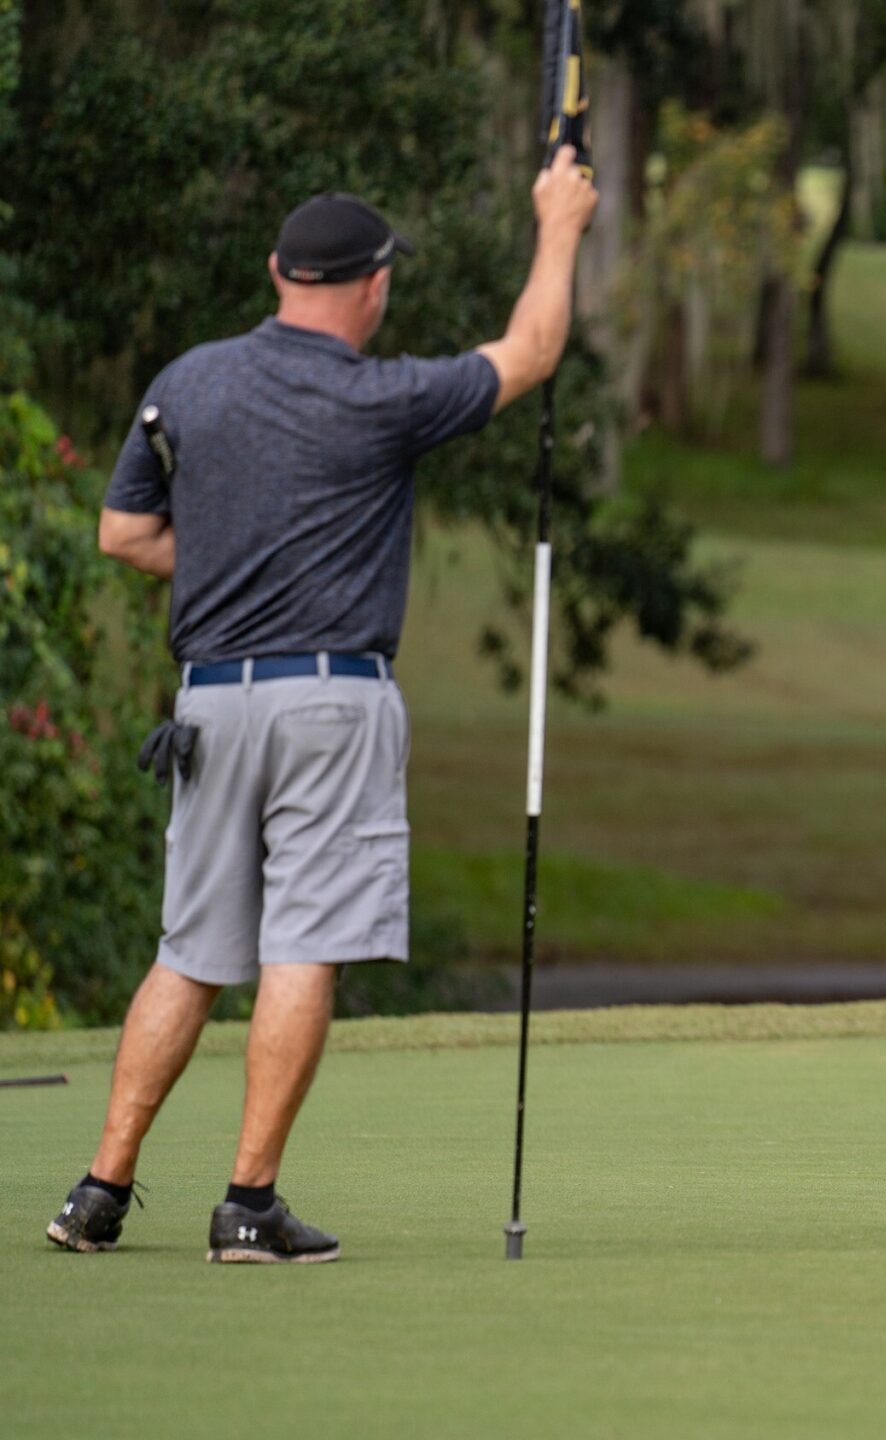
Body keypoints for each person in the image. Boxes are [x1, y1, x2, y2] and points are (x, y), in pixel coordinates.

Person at [44, 149, 599, 1263]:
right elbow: (532, 352)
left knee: (189, 952)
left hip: (206, 706)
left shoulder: (187, 381)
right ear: (374, 286)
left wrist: (237, 563)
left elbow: (123, 534)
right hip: (330, 706)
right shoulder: (381, 395)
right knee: (304, 944)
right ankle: (248, 1205)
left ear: (276, 272)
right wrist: (560, 218)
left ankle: (99, 1193)